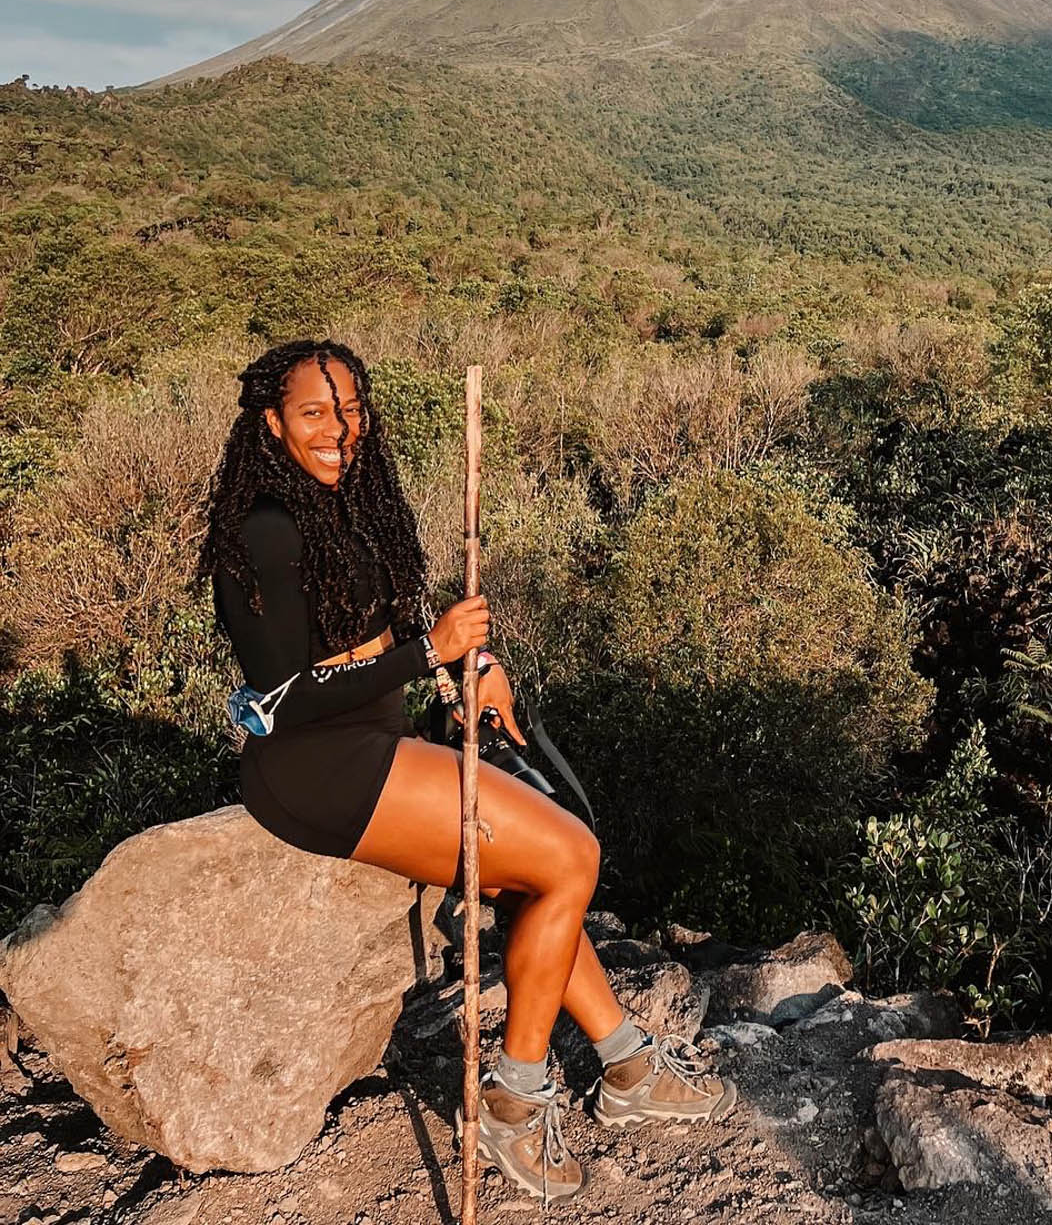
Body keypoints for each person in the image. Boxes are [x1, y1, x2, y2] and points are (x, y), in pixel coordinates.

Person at [198, 339, 734, 1201]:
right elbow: (284, 701)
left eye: (350, 409)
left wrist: (463, 676)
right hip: (314, 767)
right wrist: (425, 652)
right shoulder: (263, 531)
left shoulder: (350, 505)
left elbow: (383, 643)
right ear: (270, 422)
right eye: (313, 413)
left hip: (375, 741)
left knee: (541, 868)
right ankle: (513, 1105)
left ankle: (628, 1065)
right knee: (570, 860)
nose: (340, 429)